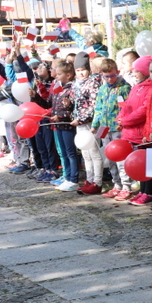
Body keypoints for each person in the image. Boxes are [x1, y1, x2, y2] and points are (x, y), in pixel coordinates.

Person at [30, 61, 80, 192]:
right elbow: (47, 104)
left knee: (70, 153)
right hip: (57, 125)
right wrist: (35, 96)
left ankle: (73, 179)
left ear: (68, 75)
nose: (56, 77)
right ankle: (67, 176)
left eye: (59, 74)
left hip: (67, 125)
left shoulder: (72, 89)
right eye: (56, 74)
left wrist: (63, 113)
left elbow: (73, 109)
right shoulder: (57, 88)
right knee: (63, 152)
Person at [122, 57, 152, 206]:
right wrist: (122, 118)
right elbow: (129, 106)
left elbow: (146, 111)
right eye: (151, 71)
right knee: (143, 163)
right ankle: (142, 191)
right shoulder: (145, 87)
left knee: (151, 164)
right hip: (147, 132)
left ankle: (148, 192)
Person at [92, 59, 132, 200]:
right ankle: (117, 185)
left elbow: (127, 108)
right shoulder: (102, 89)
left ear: (117, 72)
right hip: (105, 128)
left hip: (117, 128)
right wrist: (95, 125)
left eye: (112, 75)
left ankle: (126, 185)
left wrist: (124, 122)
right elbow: (98, 108)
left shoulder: (124, 88)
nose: (109, 79)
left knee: (120, 157)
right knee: (110, 158)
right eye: (106, 76)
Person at [71, 53, 104, 195]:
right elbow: (77, 104)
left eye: (83, 70)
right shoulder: (76, 84)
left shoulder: (93, 83)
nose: (81, 73)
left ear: (88, 69)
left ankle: (98, 182)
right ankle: (89, 179)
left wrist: (82, 119)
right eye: (78, 70)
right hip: (79, 123)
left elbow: (93, 106)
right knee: (85, 153)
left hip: (90, 124)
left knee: (94, 153)